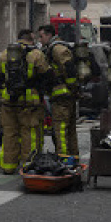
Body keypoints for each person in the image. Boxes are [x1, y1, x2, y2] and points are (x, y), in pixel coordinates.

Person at [0, 29, 53, 174]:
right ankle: (29, 165)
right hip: (29, 101)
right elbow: (47, 75)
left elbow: (0, 77)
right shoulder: (36, 54)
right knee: (30, 133)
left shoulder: (4, 54)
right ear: (31, 39)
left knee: (9, 133)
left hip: (8, 100)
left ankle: (8, 166)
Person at [38, 24, 79, 157]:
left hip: (62, 95)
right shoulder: (52, 49)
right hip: (64, 95)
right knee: (69, 129)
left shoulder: (57, 49)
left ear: (49, 35)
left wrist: (72, 87)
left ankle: (64, 157)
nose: (40, 40)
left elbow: (69, 67)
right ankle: (73, 157)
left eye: (41, 36)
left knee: (60, 129)